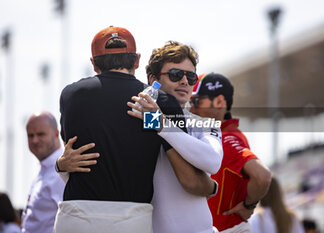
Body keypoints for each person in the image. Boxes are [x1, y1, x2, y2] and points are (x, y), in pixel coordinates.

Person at [57, 41, 223, 233]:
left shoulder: (203, 123)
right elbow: (95, 176)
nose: (184, 81)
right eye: (176, 75)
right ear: (153, 80)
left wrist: (161, 125)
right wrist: (60, 165)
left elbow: (212, 162)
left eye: (190, 76)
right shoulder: (132, 119)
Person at [190, 73, 272, 233]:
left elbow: (263, 176)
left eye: (197, 101)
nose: (192, 108)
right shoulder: (229, 135)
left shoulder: (226, 139)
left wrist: (249, 205)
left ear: (220, 102)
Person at [22, 112, 64, 233]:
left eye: (40, 134)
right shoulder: (44, 171)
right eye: (30, 135)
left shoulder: (63, 172)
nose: (35, 140)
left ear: (56, 134)